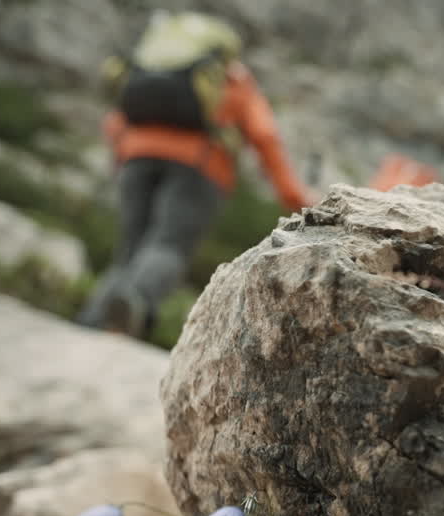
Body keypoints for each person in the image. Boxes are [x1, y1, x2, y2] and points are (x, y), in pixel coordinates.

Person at [78, 11, 315, 337]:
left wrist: (123, 158)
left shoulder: (154, 67)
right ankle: (132, 304)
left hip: (136, 156)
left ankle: (94, 318)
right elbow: (265, 137)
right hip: (198, 166)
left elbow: (118, 119)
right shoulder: (231, 78)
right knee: (169, 245)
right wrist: (295, 198)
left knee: (131, 247)